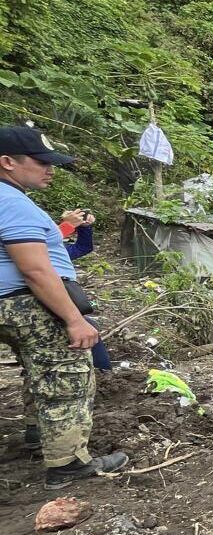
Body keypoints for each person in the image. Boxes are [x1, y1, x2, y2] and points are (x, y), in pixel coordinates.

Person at [0, 125, 128, 489]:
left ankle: (36, 433)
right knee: (65, 376)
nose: (50, 169)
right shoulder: (11, 202)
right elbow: (35, 269)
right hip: (26, 304)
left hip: (8, 305)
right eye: (41, 162)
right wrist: (73, 318)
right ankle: (68, 463)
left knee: (36, 367)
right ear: (8, 162)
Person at [58, 208, 111, 370]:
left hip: (63, 300)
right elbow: (38, 243)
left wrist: (83, 227)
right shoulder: (29, 247)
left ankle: (103, 374)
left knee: (89, 326)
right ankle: (104, 374)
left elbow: (83, 247)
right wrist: (67, 225)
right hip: (42, 299)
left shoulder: (56, 251)